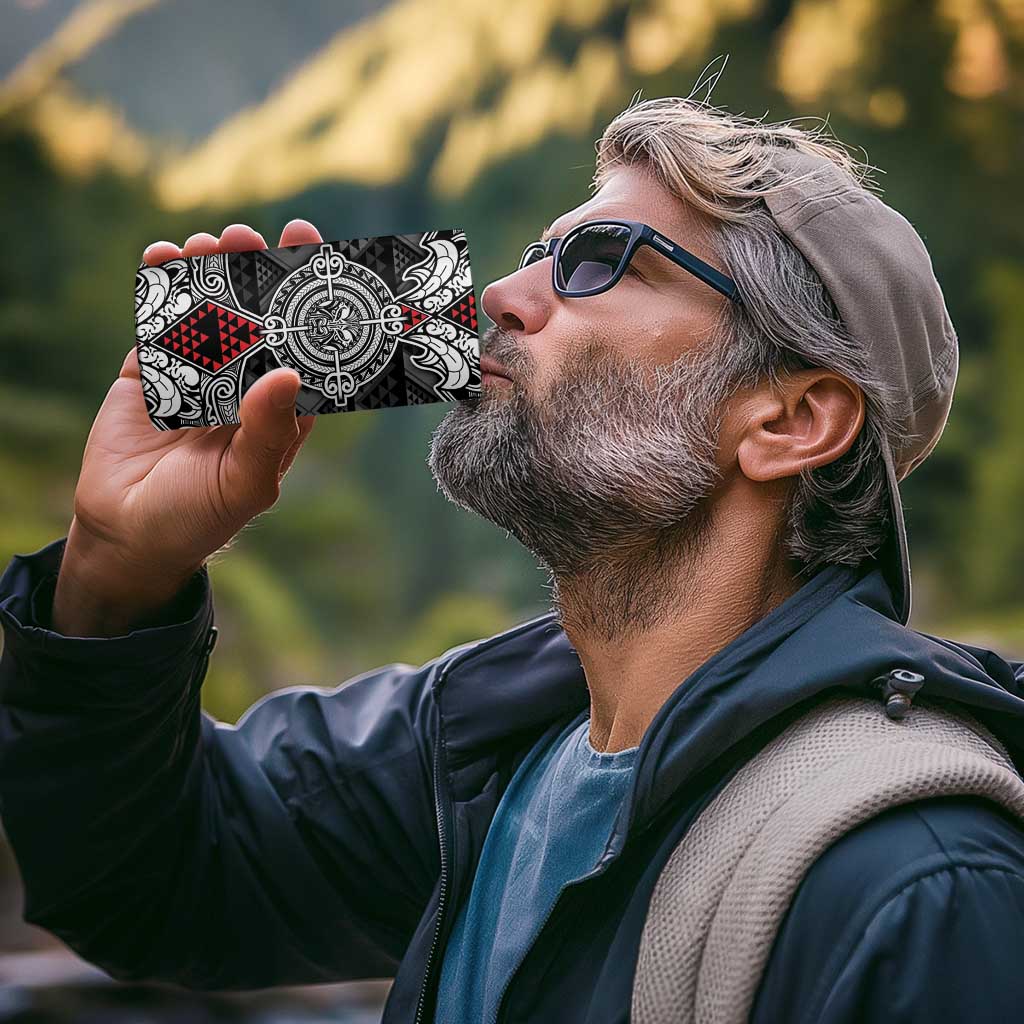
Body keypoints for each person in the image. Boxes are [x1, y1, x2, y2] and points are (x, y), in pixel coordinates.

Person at [2, 94, 1024, 1024]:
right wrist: (116, 573)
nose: (499, 292)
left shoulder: (918, 886)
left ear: (790, 421)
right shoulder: (482, 746)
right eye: (540, 252)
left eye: (601, 261)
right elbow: (149, 880)